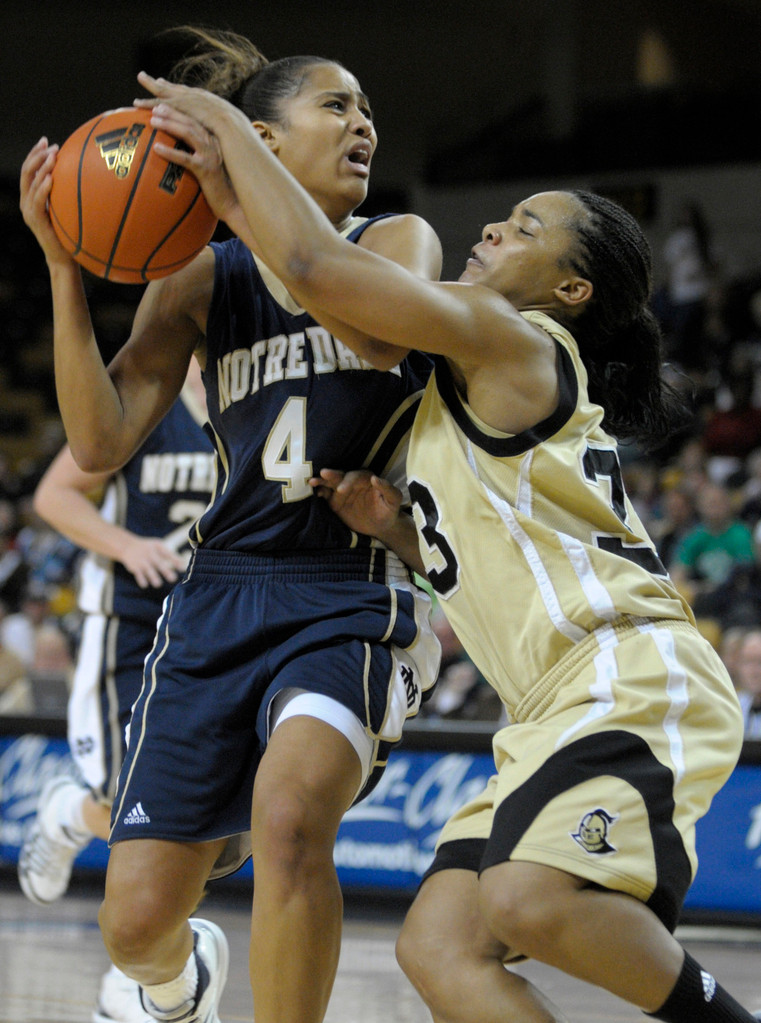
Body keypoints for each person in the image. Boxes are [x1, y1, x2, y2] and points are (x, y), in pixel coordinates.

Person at [136, 74, 760, 1022]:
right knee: (438, 947)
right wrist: (396, 527)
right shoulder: (455, 393)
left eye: (522, 227)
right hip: (547, 703)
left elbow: (310, 262)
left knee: (526, 897)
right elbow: (488, 551)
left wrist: (226, 131)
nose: (490, 231)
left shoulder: (513, 337)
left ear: (568, 289)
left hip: (627, 668)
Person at [19, 26, 441, 1023]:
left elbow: (377, 335)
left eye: (366, 110)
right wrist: (65, 266)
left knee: (292, 824)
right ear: (263, 137)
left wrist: (239, 205)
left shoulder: (395, 242)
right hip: (219, 593)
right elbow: (98, 435)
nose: (361, 124)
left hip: (345, 587)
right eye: (334, 106)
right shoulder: (204, 278)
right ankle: (182, 984)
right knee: (133, 926)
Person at [17, 358, 214, 1023]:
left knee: (194, 821)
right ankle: (73, 810)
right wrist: (127, 545)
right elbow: (54, 496)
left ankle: (75, 816)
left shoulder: (262, 400)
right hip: (128, 626)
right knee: (131, 803)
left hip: (212, 629)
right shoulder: (146, 402)